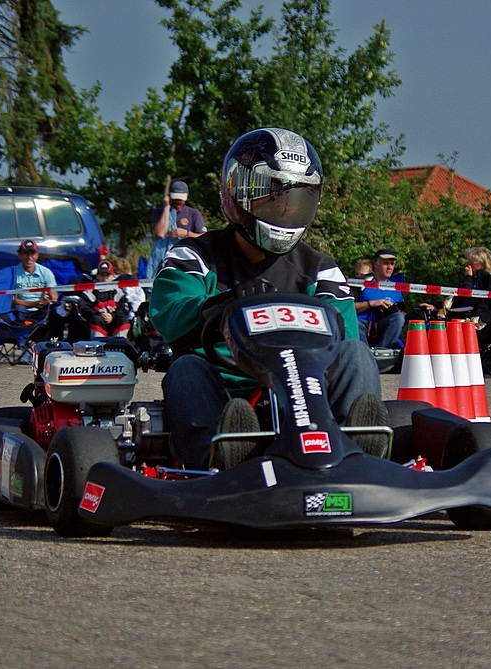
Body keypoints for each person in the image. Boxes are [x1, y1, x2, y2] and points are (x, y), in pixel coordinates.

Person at [150, 127, 384, 470]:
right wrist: (222, 306)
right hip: (227, 395)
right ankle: (219, 457)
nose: (286, 210)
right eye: (272, 197)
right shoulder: (196, 256)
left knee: (356, 352)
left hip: (308, 397)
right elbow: (169, 315)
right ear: (238, 192)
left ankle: (358, 452)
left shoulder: (320, 270)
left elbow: (343, 333)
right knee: (185, 368)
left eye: (297, 200)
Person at [148, 180, 206, 277]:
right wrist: (166, 208)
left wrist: (186, 233)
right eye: (175, 199)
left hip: (185, 258)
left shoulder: (193, 213)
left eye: (180, 200)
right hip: (163, 258)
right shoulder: (159, 212)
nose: (177, 202)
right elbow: (160, 233)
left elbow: (203, 237)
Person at [355, 248, 406, 348]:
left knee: (399, 318)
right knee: (354, 322)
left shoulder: (397, 288)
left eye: (392, 264)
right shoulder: (360, 282)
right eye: (386, 263)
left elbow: (400, 316)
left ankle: (382, 352)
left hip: (383, 325)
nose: (389, 267)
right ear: (375, 264)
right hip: (362, 324)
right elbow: (348, 307)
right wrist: (372, 303)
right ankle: (364, 353)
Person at [11, 239, 57, 316]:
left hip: (42, 309)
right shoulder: (13, 273)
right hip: (22, 309)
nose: (29, 257)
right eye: (26, 253)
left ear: (37, 255)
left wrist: (47, 301)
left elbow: (54, 298)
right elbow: (11, 300)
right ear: (19, 255)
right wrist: (33, 304)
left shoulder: (46, 272)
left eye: (32, 253)